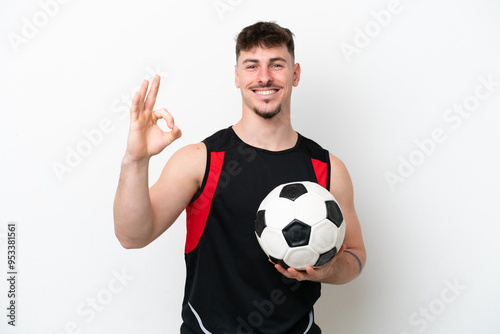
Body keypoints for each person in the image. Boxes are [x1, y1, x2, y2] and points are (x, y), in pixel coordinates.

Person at [114, 21, 366, 334]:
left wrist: (329, 268)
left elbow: (355, 256)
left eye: (277, 64)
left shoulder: (327, 168)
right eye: (252, 65)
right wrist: (135, 160)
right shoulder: (201, 161)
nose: (264, 77)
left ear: (295, 73)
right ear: (237, 76)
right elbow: (132, 236)